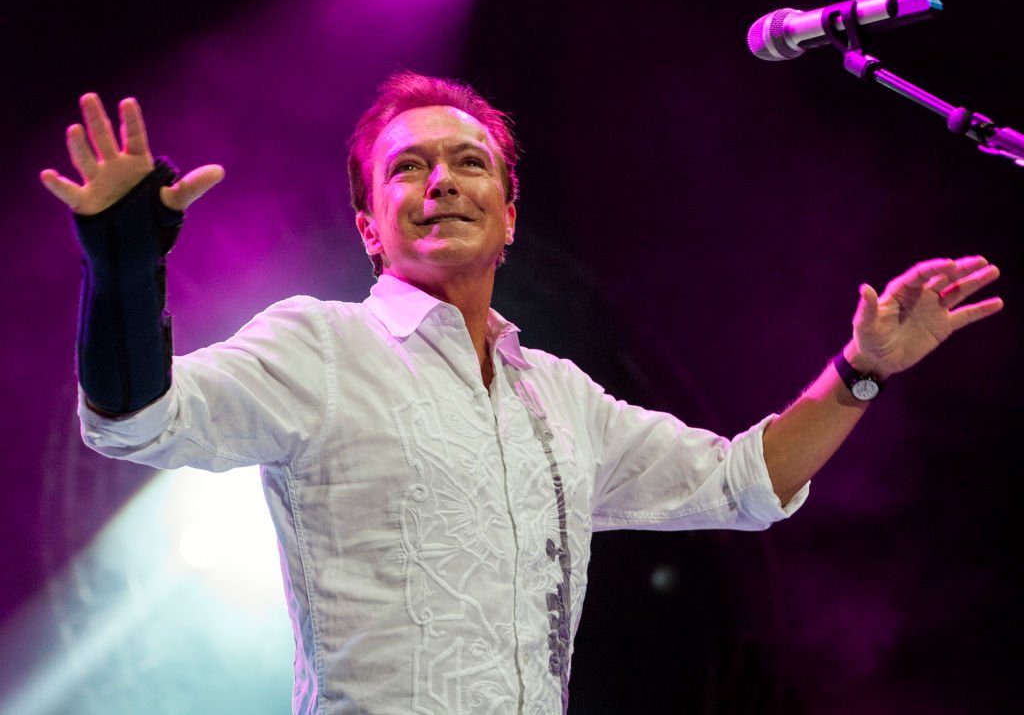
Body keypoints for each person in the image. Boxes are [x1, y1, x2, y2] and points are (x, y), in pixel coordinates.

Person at [41, 72, 1003, 715]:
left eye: (469, 164)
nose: (440, 183)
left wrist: (860, 369)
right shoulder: (319, 346)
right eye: (406, 168)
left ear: (508, 214)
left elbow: (743, 483)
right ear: (371, 225)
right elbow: (136, 422)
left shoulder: (560, 394)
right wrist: (123, 270)